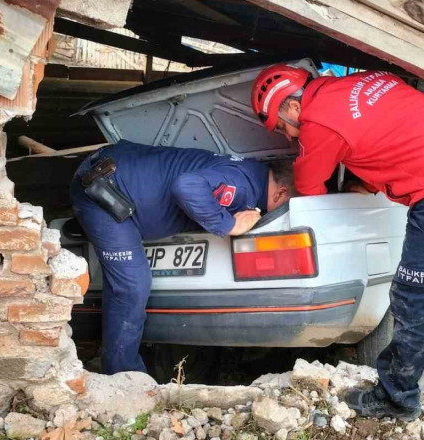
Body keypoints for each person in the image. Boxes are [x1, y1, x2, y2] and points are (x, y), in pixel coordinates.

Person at [251, 65, 424, 422]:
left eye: (282, 127)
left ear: (292, 107)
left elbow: (310, 192)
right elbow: (392, 132)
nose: (290, 136)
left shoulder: (317, 122)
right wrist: (369, 182)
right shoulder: (367, 79)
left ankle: (396, 397)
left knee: (416, 295)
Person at [70, 140, 296, 374]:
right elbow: (187, 186)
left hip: (122, 173)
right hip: (102, 189)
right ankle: (122, 376)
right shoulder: (241, 184)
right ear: (281, 193)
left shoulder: (251, 175)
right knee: (132, 286)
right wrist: (228, 225)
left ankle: (113, 361)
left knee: (127, 284)